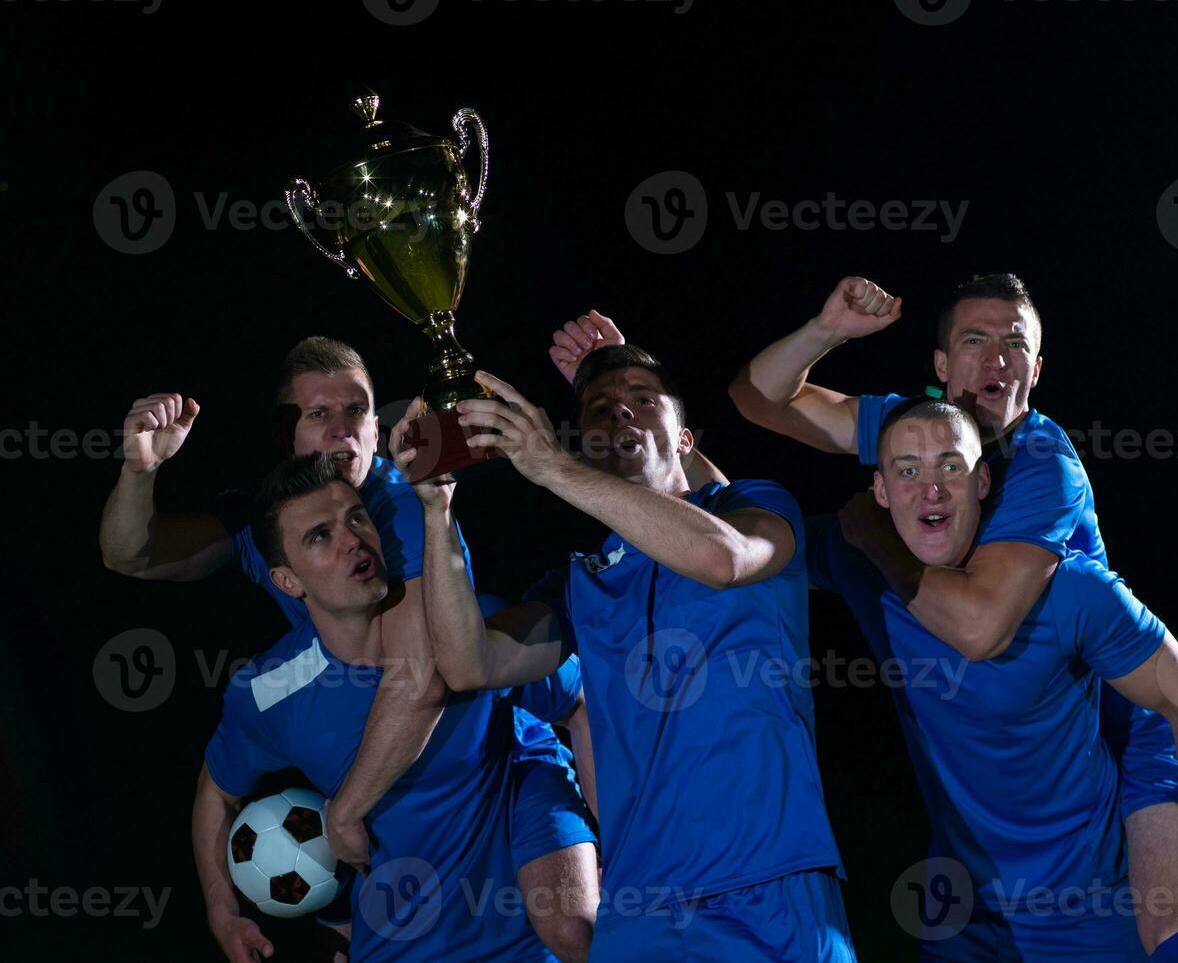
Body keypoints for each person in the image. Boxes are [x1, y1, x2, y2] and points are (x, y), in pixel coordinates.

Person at [729, 275, 1178, 956]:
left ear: (1035, 368)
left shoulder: (1042, 466)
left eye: (1014, 345)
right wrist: (826, 331)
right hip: (996, 769)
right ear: (941, 367)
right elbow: (755, 398)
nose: (995, 359)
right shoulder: (923, 430)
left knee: (1174, 922)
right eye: (975, 341)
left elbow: (977, 628)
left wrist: (879, 542)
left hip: (1121, 726)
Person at [100, 337, 598, 960]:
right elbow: (131, 554)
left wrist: (343, 814)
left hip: (482, 742)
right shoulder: (270, 575)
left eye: (357, 411)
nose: (343, 432)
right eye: (319, 415)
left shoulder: (406, 507)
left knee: (569, 928)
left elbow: (424, 677)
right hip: (384, 767)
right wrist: (139, 474)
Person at [400, 347, 856, 961]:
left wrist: (552, 468)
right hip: (638, 909)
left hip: (768, 885)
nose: (621, 410)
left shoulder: (752, 507)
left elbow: (722, 560)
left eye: (645, 399)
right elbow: (468, 664)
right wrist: (436, 513)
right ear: (586, 445)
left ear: (685, 437)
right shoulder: (578, 581)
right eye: (599, 408)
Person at [802, 397, 1178, 961]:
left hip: (1095, 911)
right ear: (879, 493)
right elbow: (742, 535)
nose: (930, 489)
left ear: (983, 480)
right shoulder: (862, 558)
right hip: (965, 917)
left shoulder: (1070, 589)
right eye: (908, 470)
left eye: (951, 467)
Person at [195, 452, 593, 962]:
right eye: (320, 536)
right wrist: (221, 911)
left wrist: (620, 849)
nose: (353, 541)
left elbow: (577, 704)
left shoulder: (470, 636)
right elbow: (216, 790)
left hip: (522, 945)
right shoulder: (268, 691)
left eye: (356, 517)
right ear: (288, 582)